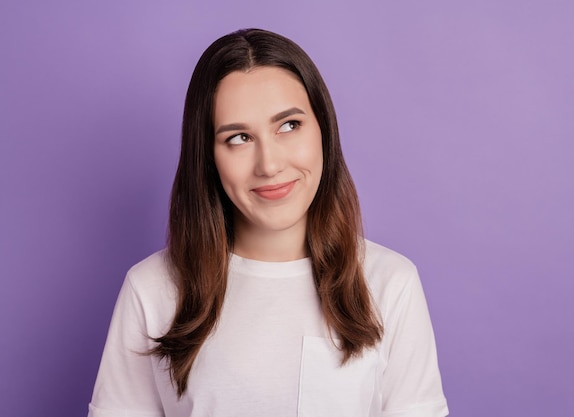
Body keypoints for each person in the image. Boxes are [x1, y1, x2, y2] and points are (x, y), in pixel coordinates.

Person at [88, 28, 449, 417]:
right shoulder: (151, 290)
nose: (270, 164)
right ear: (208, 156)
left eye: (289, 125)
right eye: (239, 137)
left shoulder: (390, 283)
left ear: (324, 130)